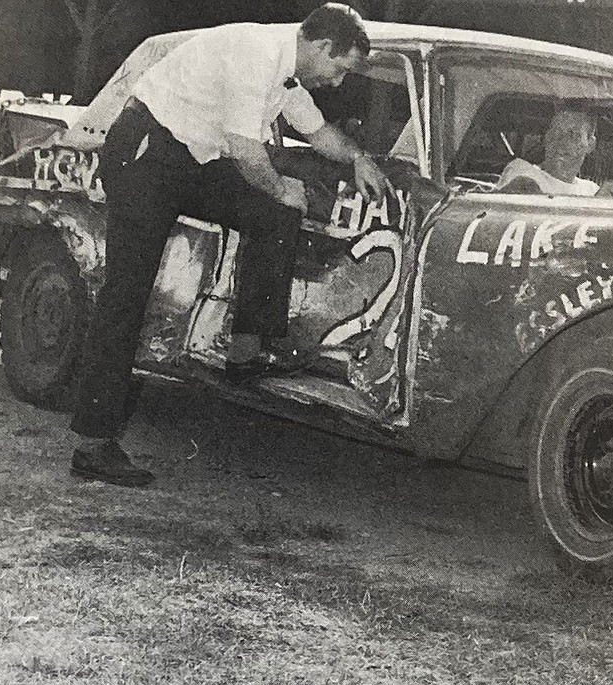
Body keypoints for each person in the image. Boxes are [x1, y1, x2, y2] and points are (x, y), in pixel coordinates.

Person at [68, 4, 389, 487]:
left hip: (189, 157)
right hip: (145, 152)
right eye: (339, 68)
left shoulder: (285, 76)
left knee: (275, 213)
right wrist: (283, 186)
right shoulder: (255, 53)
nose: (338, 82)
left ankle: (246, 350)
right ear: (322, 47)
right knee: (126, 293)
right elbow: (244, 149)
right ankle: (93, 443)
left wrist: (359, 158)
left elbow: (317, 130)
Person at [495, 103, 613, 197]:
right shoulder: (522, 171)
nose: (562, 142)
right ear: (547, 138)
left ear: (590, 145)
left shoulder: (591, 189)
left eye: (573, 135)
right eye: (556, 133)